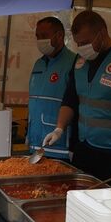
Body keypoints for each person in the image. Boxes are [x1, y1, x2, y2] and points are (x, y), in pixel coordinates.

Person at [43, 10, 111, 184]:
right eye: (78, 43)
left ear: (101, 34)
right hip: (85, 149)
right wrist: (59, 128)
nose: (81, 48)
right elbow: (71, 99)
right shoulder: (80, 62)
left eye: (85, 42)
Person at [27, 17, 77, 160]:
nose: (40, 40)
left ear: (60, 35)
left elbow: (75, 103)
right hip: (35, 144)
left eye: (44, 36)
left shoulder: (74, 63)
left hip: (59, 147)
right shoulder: (39, 64)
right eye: (37, 36)